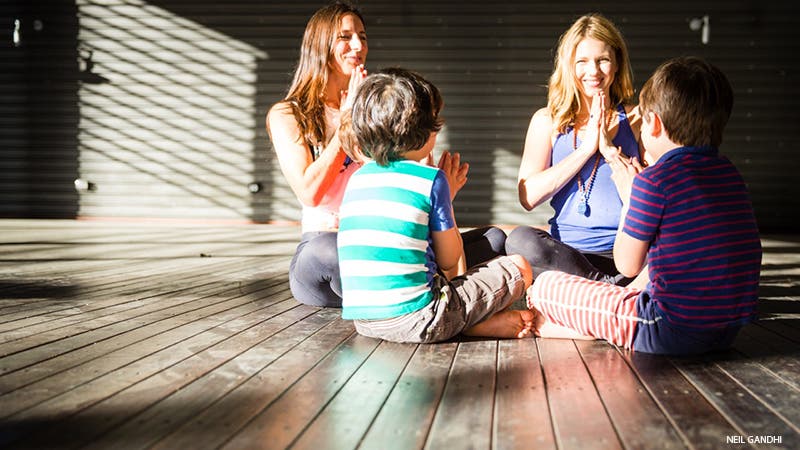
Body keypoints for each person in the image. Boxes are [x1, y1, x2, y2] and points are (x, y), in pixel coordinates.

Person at [267, 1, 507, 308]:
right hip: (327, 247)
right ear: (320, 45)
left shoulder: (377, 107)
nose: (358, 45)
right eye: (345, 37)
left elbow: (407, 191)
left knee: (494, 239)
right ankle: (440, 300)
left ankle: (432, 299)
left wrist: (443, 195)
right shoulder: (288, 114)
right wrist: (346, 119)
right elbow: (310, 193)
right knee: (332, 249)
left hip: (394, 243)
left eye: (363, 36)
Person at [526, 56, 762, 355]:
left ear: (653, 124)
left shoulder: (655, 180)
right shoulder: (728, 173)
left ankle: (573, 326)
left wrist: (630, 196)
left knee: (546, 287)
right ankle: (595, 322)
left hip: (665, 328)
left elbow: (626, 264)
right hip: (728, 329)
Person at [337, 68, 535, 342]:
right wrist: (446, 200)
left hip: (366, 322)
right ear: (424, 130)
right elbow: (449, 259)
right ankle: (466, 323)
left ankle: (467, 323)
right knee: (519, 267)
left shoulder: (357, 179)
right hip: (422, 318)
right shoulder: (431, 180)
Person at [506, 13, 641, 285]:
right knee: (520, 240)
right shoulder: (546, 120)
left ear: (616, 64)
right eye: (582, 61)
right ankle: (606, 288)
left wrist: (610, 150)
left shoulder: (638, 119)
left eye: (602, 60)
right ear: (569, 66)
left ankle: (597, 290)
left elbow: (654, 192)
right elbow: (527, 197)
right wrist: (586, 149)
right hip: (566, 257)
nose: (593, 71)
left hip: (626, 255)